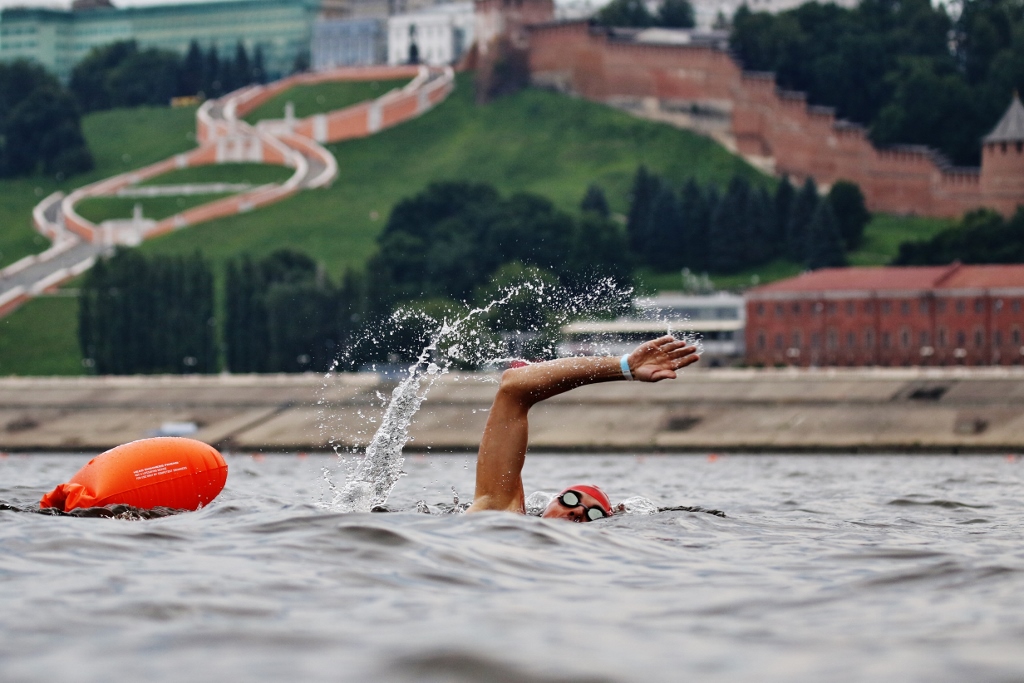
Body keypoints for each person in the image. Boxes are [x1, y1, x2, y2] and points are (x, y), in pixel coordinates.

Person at [466, 335, 700, 521]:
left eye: (594, 514)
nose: (578, 511)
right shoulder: (502, 514)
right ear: (551, 502)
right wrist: (625, 367)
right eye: (570, 499)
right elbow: (514, 385)